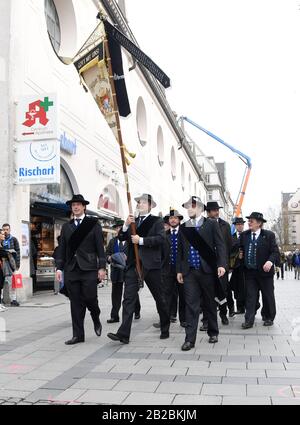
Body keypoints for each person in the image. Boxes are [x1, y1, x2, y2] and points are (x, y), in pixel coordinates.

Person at [107, 193, 170, 344]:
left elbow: (161, 239)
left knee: (159, 297)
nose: (139, 204)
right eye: (138, 202)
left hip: (151, 265)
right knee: (128, 299)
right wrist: (125, 225)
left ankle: (165, 326)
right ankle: (123, 334)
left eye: (143, 202)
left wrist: (141, 240)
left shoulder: (156, 221)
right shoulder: (132, 221)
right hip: (133, 265)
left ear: (150, 205)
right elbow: (121, 237)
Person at [55, 194, 106, 345]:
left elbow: (100, 248)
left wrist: (102, 267)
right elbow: (62, 249)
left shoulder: (93, 224)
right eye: (73, 205)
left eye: (78, 204)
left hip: (89, 268)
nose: (75, 207)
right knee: (75, 303)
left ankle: (96, 316)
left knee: (90, 298)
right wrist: (59, 268)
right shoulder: (66, 226)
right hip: (71, 269)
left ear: (84, 207)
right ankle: (78, 335)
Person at [177, 196, 226, 350]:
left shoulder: (210, 224)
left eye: (190, 206)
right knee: (191, 305)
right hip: (189, 272)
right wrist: (179, 270)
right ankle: (189, 339)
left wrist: (222, 264)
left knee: (209, 302)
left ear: (199, 207)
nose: (188, 209)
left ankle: (213, 331)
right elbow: (180, 251)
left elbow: (220, 244)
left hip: (207, 270)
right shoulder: (184, 227)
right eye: (186, 207)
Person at [239, 212, 279, 328]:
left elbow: (275, 252)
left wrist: (270, 261)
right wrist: (240, 256)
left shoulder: (269, 235)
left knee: (267, 295)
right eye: (249, 220)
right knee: (250, 296)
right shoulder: (244, 235)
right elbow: (240, 249)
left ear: (259, 223)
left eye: (252, 220)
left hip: (265, 272)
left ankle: (268, 317)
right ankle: (249, 320)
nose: (249, 222)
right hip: (250, 272)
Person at [106, 219, 141, 324]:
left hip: (129, 270)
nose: (118, 230)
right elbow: (106, 254)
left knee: (131, 293)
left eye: (120, 228)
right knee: (115, 294)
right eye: (117, 228)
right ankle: (114, 315)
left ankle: (137, 310)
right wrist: (110, 258)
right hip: (116, 271)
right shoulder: (112, 241)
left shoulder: (131, 241)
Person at [205, 201, 234, 324]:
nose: (217, 212)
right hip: (207, 264)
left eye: (217, 209)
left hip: (221, 264)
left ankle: (223, 314)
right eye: (214, 210)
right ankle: (207, 318)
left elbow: (228, 246)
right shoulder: (203, 224)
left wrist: (226, 264)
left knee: (222, 290)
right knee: (206, 291)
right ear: (208, 212)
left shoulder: (225, 225)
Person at [160, 209, 186, 327]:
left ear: (179, 220)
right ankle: (169, 317)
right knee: (167, 294)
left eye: (175, 218)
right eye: (171, 218)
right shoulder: (164, 235)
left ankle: (184, 319)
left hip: (182, 269)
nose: (173, 220)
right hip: (168, 269)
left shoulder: (185, 234)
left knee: (183, 294)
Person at [229, 217, 246, 314]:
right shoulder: (231, 237)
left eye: (241, 224)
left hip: (245, 267)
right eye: (238, 224)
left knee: (246, 288)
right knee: (236, 288)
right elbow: (230, 251)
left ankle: (247, 306)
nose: (240, 226)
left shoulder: (247, 235)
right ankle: (239, 307)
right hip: (236, 267)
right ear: (235, 226)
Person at [2, 223, 21, 306]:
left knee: (12, 282)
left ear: (10, 230)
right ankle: (1, 299)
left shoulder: (14, 239)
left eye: (7, 229)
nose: (5, 231)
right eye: (4, 229)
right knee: (1, 282)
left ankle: (13, 299)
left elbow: (18, 252)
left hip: (11, 264)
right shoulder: (1, 239)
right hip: (2, 263)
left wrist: (17, 265)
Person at [0, 230, 8, 312]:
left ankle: (0, 303)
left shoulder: (2, 244)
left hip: (1, 267)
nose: (4, 236)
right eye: (2, 234)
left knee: (1, 285)